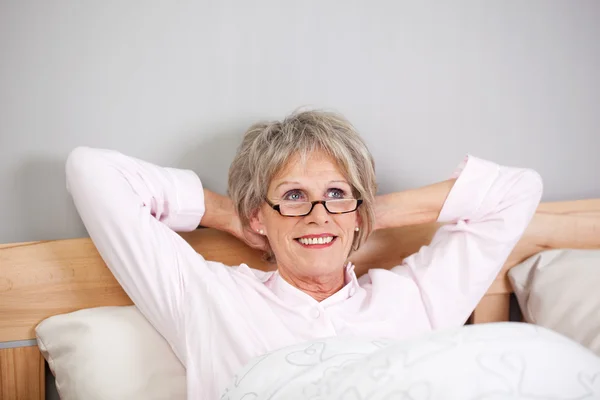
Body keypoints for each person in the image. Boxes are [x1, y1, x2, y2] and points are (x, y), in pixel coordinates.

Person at [65, 110, 543, 400]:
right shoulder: (209, 297)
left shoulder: (415, 299)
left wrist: (362, 212)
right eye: (293, 196)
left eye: (336, 192)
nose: (317, 216)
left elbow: (518, 190)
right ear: (259, 215)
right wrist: (228, 214)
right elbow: (92, 172)